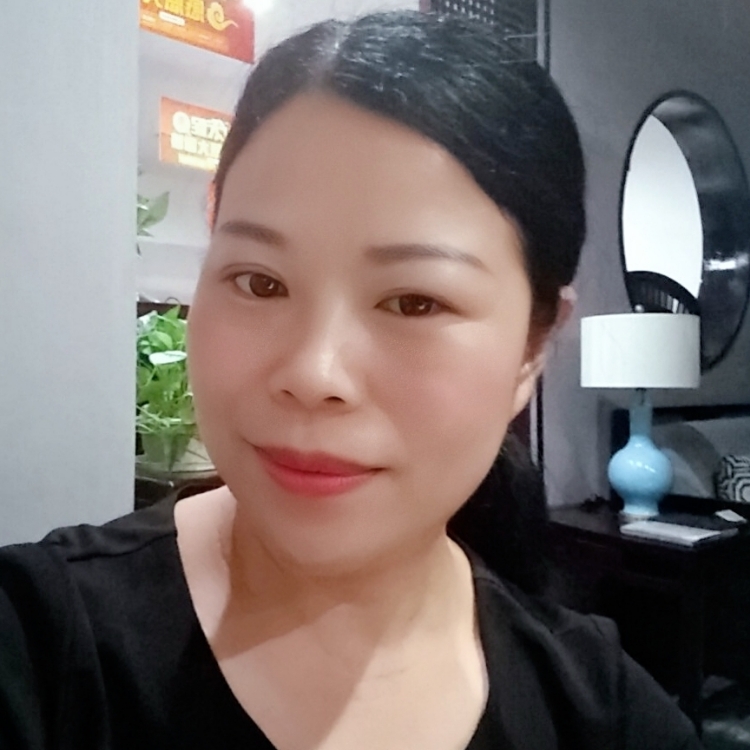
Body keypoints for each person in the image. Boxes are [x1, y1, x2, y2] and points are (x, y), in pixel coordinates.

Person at [0, 10, 702, 750]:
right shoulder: (38, 649)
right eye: (260, 282)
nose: (313, 373)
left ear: (533, 347)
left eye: (414, 301)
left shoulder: (605, 716)